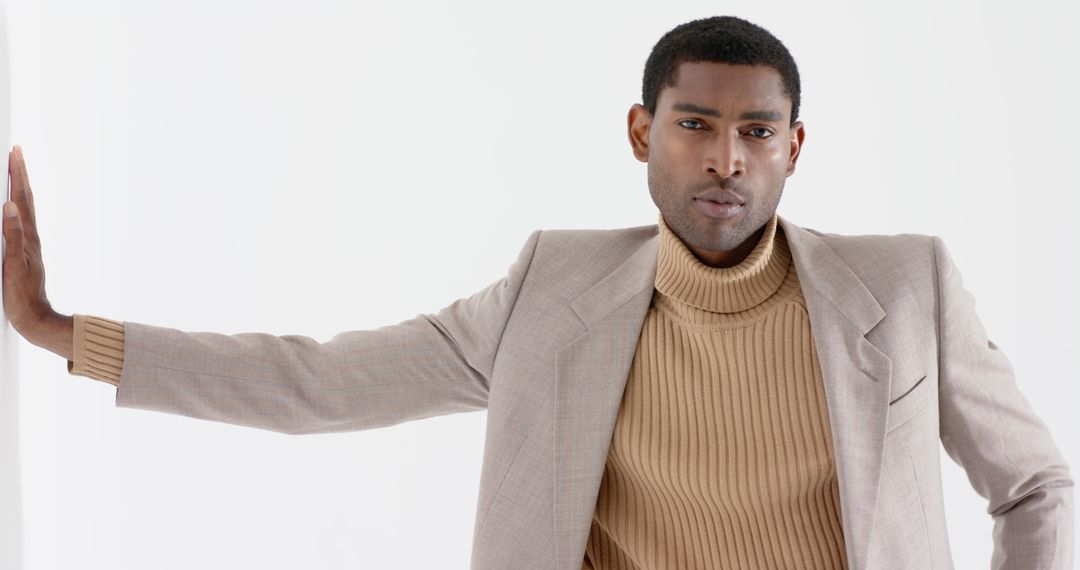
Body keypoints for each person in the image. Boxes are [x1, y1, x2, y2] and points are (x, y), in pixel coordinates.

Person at [2, 15, 1073, 570]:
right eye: (696, 125)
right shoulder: (551, 291)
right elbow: (320, 383)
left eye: (757, 132)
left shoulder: (907, 284)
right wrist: (59, 331)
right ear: (642, 132)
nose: (726, 160)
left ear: (795, 148)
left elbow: (1034, 487)